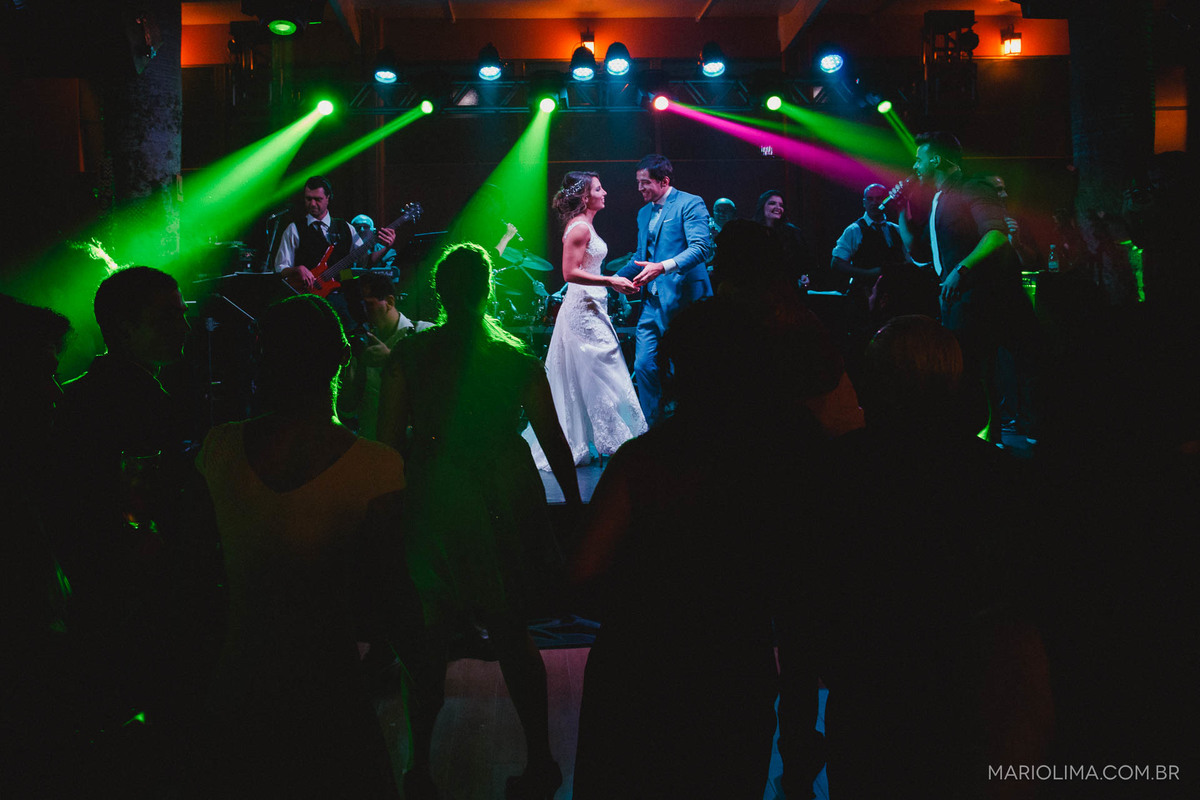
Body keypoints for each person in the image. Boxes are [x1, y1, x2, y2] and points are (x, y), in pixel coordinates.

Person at [377, 243, 581, 800]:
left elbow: (387, 447)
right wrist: (575, 511)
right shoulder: (515, 359)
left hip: (437, 494)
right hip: (499, 493)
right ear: (488, 289)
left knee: (429, 639)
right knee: (513, 632)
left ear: (440, 292)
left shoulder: (410, 357)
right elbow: (555, 444)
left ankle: (419, 768)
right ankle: (541, 761)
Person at [196, 294, 409, 798]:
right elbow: (393, 591)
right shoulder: (377, 466)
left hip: (239, 673)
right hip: (328, 678)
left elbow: (195, 570)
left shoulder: (218, 446)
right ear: (340, 358)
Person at [896, 131, 1037, 442]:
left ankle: (1000, 437)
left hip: (984, 297)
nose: (915, 166)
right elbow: (919, 251)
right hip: (960, 298)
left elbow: (996, 236)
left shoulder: (973, 187)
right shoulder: (939, 198)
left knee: (978, 370)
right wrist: (902, 211)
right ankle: (989, 438)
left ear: (935, 159)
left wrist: (961, 270)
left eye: (920, 159)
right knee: (974, 371)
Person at [526, 171, 645, 468]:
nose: (604, 193)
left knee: (598, 368)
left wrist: (614, 283)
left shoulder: (585, 226)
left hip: (593, 306)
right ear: (584, 196)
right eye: (598, 189)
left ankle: (614, 439)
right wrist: (611, 281)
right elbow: (569, 274)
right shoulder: (579, 228)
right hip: (583, 310)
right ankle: (617, 442)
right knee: (601, 368)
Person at [619, 154, 713, 426]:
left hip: (686, 301)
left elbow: (701, 249)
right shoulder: (643, 212)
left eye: (645, 183)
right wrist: (610, 280)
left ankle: (691, 426)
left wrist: (663, 266)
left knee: (687, 369)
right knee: (643, 366)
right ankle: (653, 428)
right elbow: (640, 256)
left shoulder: (690, 203)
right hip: (652, 303)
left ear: (664, 181)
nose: (640, 189)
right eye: (638, 183)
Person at [338, 273, 432, 440]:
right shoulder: (361, 345)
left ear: (389, 302)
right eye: (358, 306)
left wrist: (392, 359)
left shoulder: (423, 333)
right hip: (373, 449)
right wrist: (350, 374)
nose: (363, 313)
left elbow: (439, 388)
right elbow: (348, 409)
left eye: (368, 305)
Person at [274, 176, 394, 290]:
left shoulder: (346, 228)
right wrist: (297, 269)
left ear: (328, 198)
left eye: (318, 199)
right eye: (308, 199)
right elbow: (280, 268)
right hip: (308, 296)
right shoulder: (294, 229)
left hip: (343, 295)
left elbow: (365, 262)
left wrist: (386, 247)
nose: (312, 204)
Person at [753, 189, 818, 290]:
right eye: (772, 203)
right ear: (762, 206)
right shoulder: (751, 231)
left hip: (787, 290)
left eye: (781, 205)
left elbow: (808, 262)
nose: (778, 208)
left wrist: (806, 276)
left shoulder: (793, 233)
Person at [706, 196, 737, 267]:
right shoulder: (705, 229)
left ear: (734, 212)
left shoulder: (741, 230)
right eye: (718, 210)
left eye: (726, 210)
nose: (721, 213)